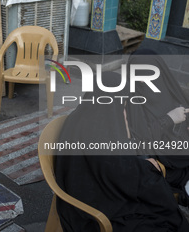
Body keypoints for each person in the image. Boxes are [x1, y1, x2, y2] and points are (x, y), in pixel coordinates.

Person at [55, 71, 189, 231]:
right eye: (123, 106)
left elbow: (114, 165)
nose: (125, 112)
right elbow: (119, 173)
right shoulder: (101, 131)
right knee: (160, 206)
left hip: (84, 188)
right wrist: (148, 167)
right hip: (94, 208)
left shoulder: (86, 115)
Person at [127, 49, 189, 206]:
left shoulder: (167, 88)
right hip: (163, 161)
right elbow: (139, 140)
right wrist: (169, 119)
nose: (142, 80)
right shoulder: (131, 99)